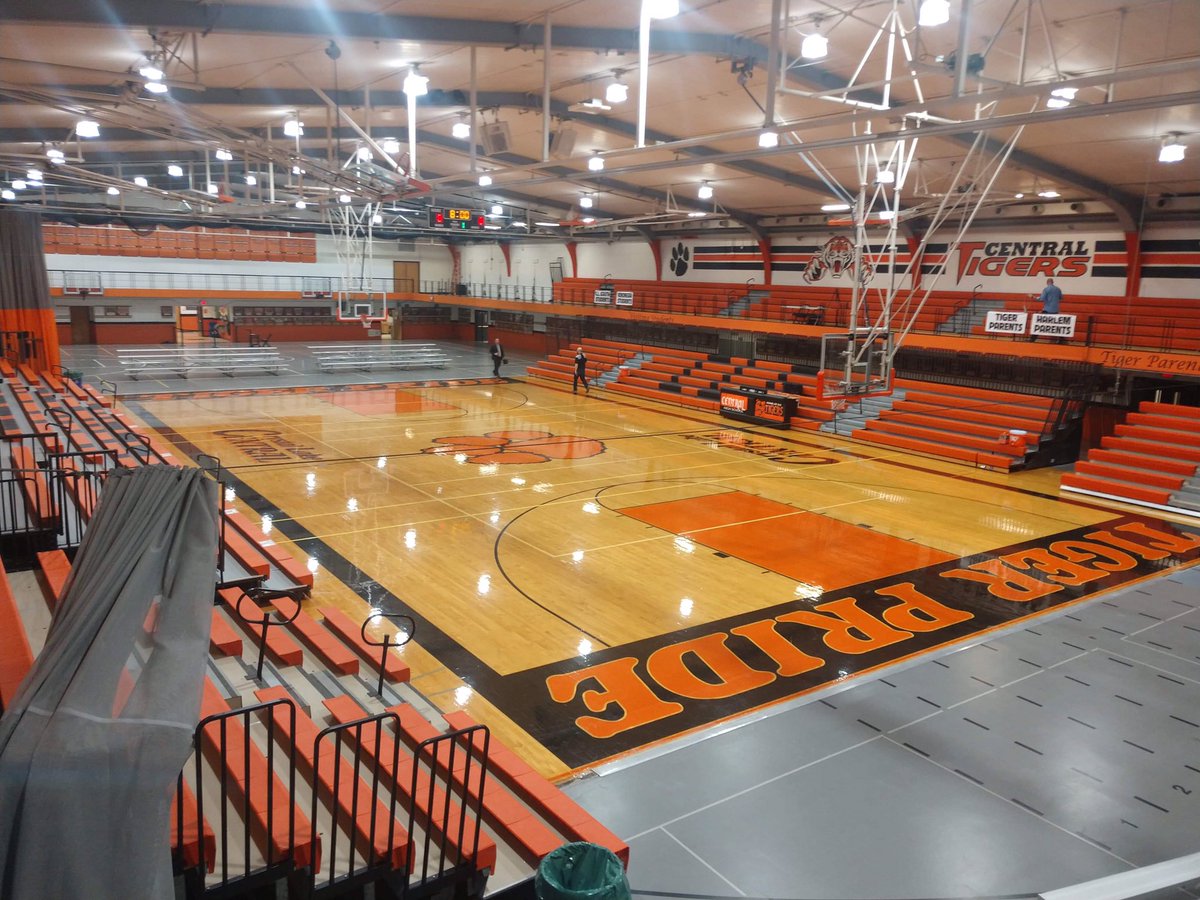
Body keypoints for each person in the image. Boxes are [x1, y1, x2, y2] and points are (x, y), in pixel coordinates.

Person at [1032, 278, 1064, 343]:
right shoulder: (1058, 289)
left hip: (1047, 310)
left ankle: (1032, 339)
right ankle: (1061, 340)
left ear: (1047, 282)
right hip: (1055, 310)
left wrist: (1033, 297)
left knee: (1039, 325)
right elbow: (1061, 298)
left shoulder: (1046, 289)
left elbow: (1041, 299)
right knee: (1057, 326)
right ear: (1053, 282)